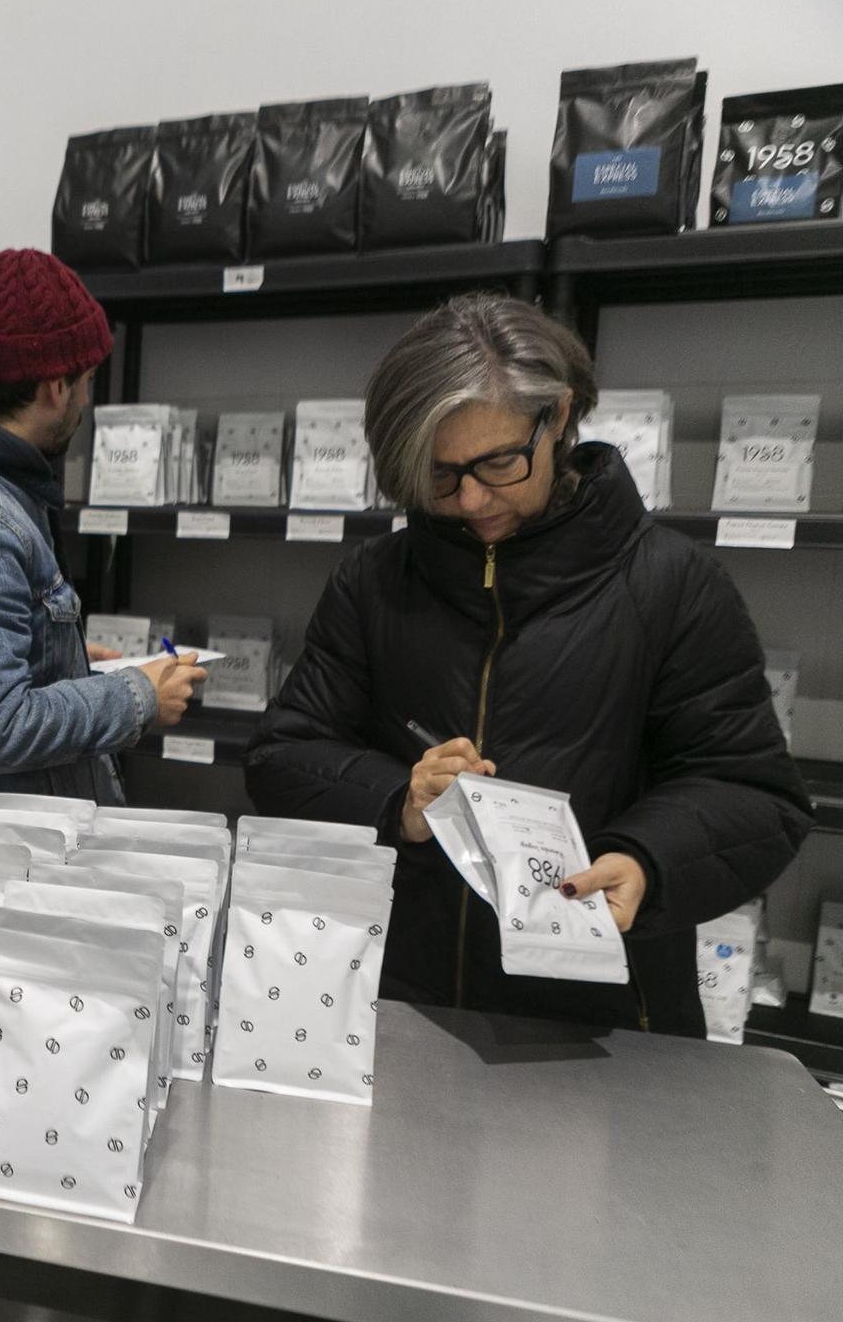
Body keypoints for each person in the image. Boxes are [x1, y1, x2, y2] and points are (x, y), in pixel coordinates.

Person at [245, 293, 811, 1036]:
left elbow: (755, 793)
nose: (472, 497)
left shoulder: (671, 584)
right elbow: (284, 754)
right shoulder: (376, 579)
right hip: (401, 1007)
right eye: (441, 475)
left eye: (500, 462)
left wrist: (645, 861)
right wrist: (400, 805)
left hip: (605, 1030)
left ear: (563, 418)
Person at [0, 248, 207, 835]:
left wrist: (62, 656)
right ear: (55, 386)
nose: (86, 400)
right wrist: (138, 697)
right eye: (87, 381)